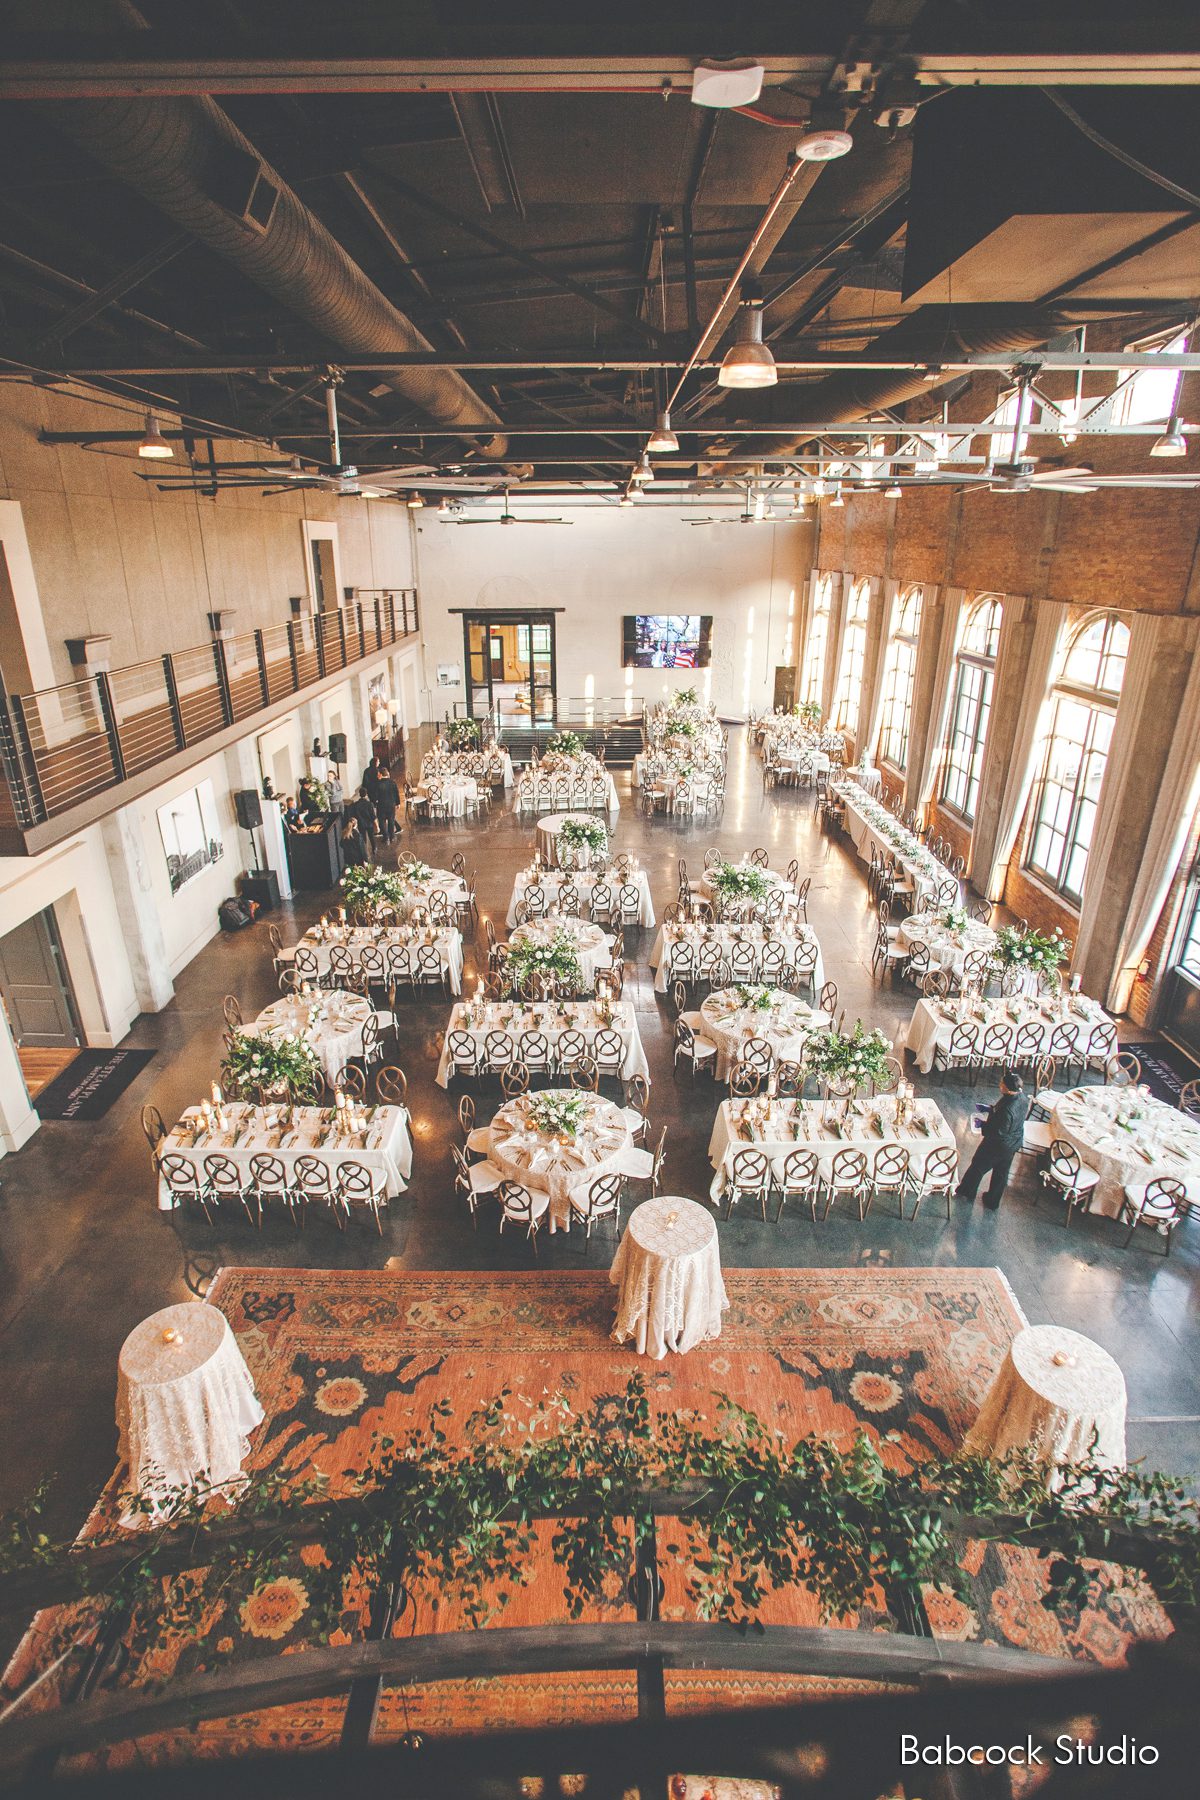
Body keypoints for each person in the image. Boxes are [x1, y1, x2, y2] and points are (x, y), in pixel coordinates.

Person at [956, 1068, 1030, 1210]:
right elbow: (1007, 1116)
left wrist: (982, 1125)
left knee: (978, 1166)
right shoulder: (1022, 1097)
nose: (999, 1085)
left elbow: (998, 1131)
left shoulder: (1007, 1110)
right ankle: (992, 1201)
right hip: (1013, 1143)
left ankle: (966, 1191)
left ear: (1007, 1089)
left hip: (998, 1145)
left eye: (1002, 1083)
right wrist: (990, 1109)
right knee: (1001, 1173)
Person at [374, 764, 400, 842]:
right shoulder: (393, 782)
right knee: (391, 820)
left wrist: (375, 802)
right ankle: (392, 836)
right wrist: (398, 803)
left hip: (381, 806)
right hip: (391, 805)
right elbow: (396, 794)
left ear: (381, 774)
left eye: (378, 774)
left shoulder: (378, 784)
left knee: (382, 822)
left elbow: (376, 796)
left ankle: (386, 837)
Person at [350, 786, 378, 857]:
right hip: (369, 824)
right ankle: (374, 848)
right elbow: (373, 816)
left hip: (361, 824)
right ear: (366, 795)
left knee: (363, 838)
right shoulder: (369, 804)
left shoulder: (355, 804)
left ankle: (365, 851)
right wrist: (377, 826)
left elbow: (354, 816)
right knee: (371, 837)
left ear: (359, 794)